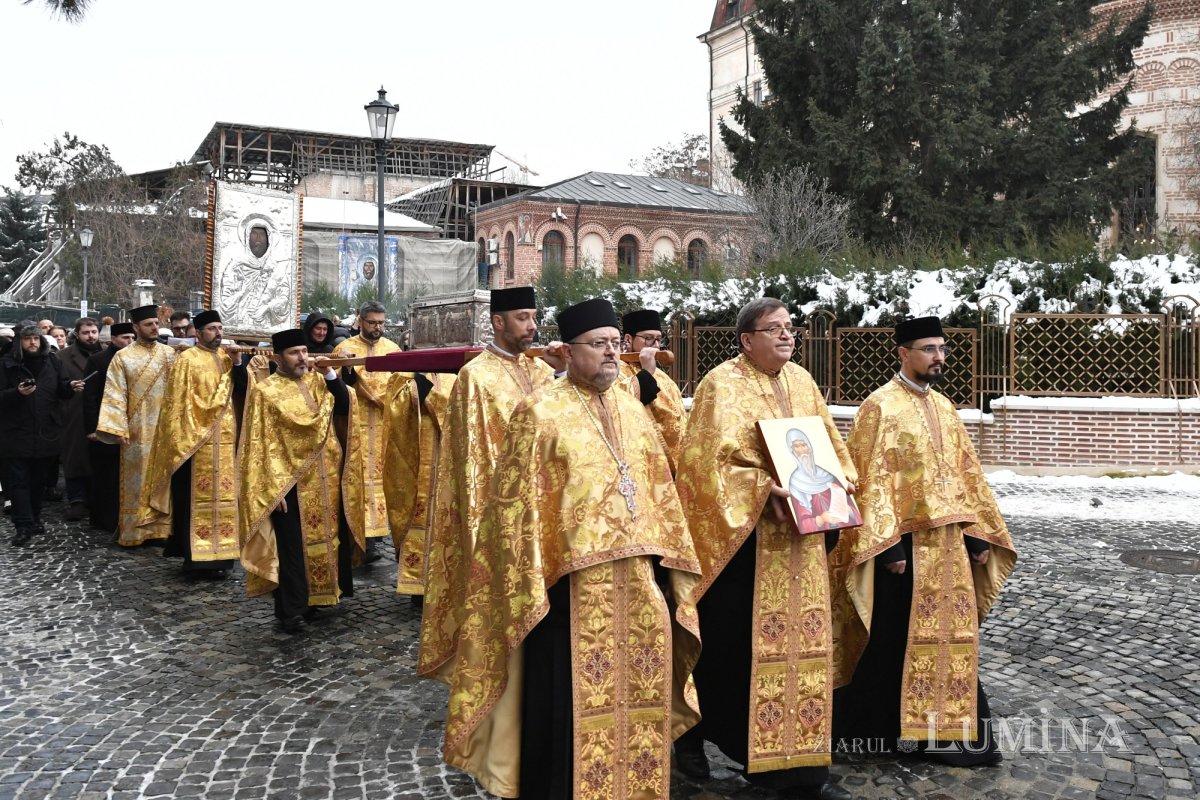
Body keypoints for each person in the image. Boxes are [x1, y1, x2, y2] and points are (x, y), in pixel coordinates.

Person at [443, 297, 702, 800]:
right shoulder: (540, 415)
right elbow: (513, 512)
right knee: (565, 712)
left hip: (640, 586)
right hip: (566, 596)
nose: (611, 354)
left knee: (637, 699)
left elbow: (659, 491)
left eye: (614, 344)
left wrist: (672, 568)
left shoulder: (632, 408)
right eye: (599, 345)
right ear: (568, 350)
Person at [673, 297, 855, 800]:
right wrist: (759, 491)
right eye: (773, 329)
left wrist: (845, 483)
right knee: (730, 654)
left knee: (804, 653)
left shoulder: (801, 381)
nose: (786, 336)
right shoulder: (721, 385)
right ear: (746, 339)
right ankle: (698, 739)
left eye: (790, 328)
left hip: (802, 544)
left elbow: (830, 447)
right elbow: (705, 466)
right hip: (745, 550)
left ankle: (803, 768)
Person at [832, 316, 1017, 764]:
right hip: (903, 550)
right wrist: (887, 543)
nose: (938, 357)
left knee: (952, 639)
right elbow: (869, 478)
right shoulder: (880, 406)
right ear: (903, 353)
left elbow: (965, 476)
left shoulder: (944, 407)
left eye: (942, 349)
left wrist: (976, 535)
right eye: (929, 349)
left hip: (950, 547)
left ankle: (947, 731)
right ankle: (884, 735)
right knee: (893, 638)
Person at [417, 285, 558, 681]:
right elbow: (470, 459)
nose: (532, 326)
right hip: (500, 510)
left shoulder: (543, 371)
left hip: (545, 506)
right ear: (498, 322)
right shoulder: (474, 378)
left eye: (534, 317)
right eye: (522, 318)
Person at [238, 328, 359, 633]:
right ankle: (291, 610)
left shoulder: (320, 381)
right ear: (277, 357)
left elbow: (344, 407)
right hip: (289, 481)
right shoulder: (266, 392)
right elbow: (258, 444)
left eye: (304, 351)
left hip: (326, 476)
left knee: (328, 541)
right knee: (293, 549)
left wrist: (332, 374)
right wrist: (270, 489)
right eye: (294, 353)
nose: (302, 357)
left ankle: (319, 599)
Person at [140, 310, 242, 577]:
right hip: (195, 443)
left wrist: (239, 364)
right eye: (212, 329)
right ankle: (196, 560)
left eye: (220, 328)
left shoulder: (226, 359)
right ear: (198, 333)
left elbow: (242, 392)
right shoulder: (186, 360)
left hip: (225, 441)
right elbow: (178, 404)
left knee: (225, 501)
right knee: (194, 501)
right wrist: (190, 436)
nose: (218, 333)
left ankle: (221, 558)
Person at [95, 306, 177, 546]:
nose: (154, 328)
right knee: (137, 481)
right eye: (148, 324)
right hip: (136, 432)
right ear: (136, 327)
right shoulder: (123, 357)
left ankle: (162, 530)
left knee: (164, 480)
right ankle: (135, 531)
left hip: (165, 429)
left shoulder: (170, 355)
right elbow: (114, 394)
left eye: (156, 323)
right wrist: (117, 428)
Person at [0, 320, 84, 545]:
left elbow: (61, 389)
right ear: (20, 341)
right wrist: (17, 393)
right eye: (28, 339)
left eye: (36, 338)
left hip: (45, 431)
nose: (32, 342)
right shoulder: (6, 364)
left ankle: (35, 518)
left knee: (38, 483)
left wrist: (70, 388)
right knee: (18, 483)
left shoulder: (52, 361)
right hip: (15, 433)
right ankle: (23, 525)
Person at [332, 301, 400, 553]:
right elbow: (333, 389)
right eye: (372, 322)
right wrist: (347, 373)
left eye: (381, 323)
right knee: (357, 477)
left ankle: (378, 531)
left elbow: (398, 388)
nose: (377, 327)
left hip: (383, 426)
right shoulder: (344, 349)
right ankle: (358, 534)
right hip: (355, 425)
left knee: (382, 479)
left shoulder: (392, 350)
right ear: (360, 321)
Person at [385, 370, 455, 600]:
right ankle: (417, 585)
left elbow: (463, 414)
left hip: (450, 461)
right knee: (418, 512)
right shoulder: (402, 375)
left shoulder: (458, 375)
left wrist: (430, 396)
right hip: (417, 461)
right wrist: (414, 391)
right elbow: (393, 412)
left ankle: (447, 582)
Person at [82, 323, 134, 532]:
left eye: (132, 337)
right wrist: (92, 428)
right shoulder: (98, 360)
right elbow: (90, 397)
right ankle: (103, 519)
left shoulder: (134, 359)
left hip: (128, 427)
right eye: (125, 338)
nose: (129, 342)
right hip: (104, 427)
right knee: (106, 476)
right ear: (113, 339)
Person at [620, 309, 686, 472]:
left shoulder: (664, 377)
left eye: (658, 339)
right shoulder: (616, 371)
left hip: (674, 465)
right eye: (648, 338)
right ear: (629, 339)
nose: (655, 345)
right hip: (640, 460)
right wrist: (647, 373)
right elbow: (623, 405)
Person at [59, 318, 104, 521]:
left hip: (102, 411)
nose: (90, 336)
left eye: (93, 332)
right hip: (74, 412)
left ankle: (96, 498)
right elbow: (57, 384)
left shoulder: (106, 354)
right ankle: (77, 499)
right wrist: (69, 386)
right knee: (76, 456)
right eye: (86, 332)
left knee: (100, 457)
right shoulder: (63, 357)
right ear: (77, 334)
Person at [786, 429, 854, 534]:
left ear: (809, 447)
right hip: (816, 537)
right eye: (796, 446)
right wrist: (821, 519)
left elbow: (850, 507)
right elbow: (801, 521)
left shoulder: (828, 475)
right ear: (792, 451)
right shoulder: (795, 482)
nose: (802, 450)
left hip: (838, 532)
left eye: (804, 445)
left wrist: (849, 511)